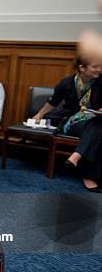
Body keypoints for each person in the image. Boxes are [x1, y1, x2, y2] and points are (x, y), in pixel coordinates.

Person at [34, 56, 102, 192]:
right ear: (81, 68)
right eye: (95, 67)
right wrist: (39, 114)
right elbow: (53, 101)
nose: (99, 70)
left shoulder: (100, 82)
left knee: (97, 126)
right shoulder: (67, 83)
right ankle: (89, 176)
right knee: (97, 127)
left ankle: (77, 155)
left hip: (94, 120)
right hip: (71, 121)